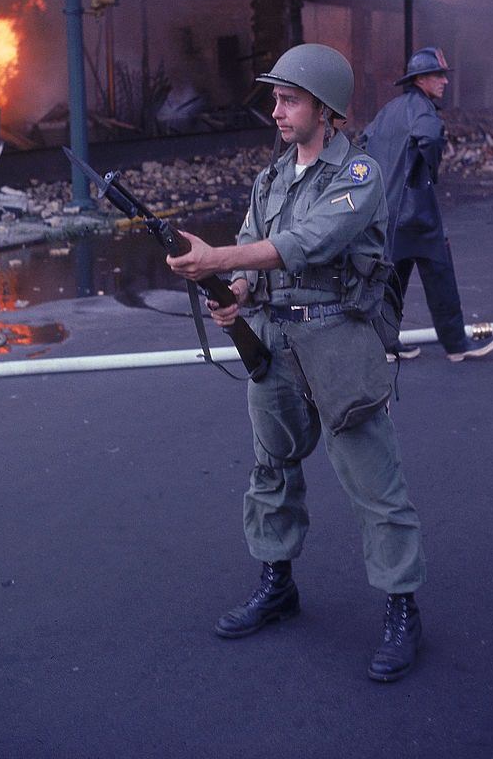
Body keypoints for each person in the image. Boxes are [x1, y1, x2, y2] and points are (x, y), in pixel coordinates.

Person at [167, 43, 425, 683]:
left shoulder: (358, 175)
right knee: (272, 470)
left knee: (375, 484)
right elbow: (259, 251)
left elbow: (307, 243)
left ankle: (401, 609)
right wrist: (236, 296)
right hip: (275, 345)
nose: (276, 111)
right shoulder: (271, 177)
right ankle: (276, 583)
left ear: (326, 109)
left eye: (289, 99)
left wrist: (221, 261)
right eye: (276, 99)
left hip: (340, 345)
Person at [361, 46, 493, 363]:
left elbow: (364, 144)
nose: (444, 82)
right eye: (439, 75)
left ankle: (385, 345)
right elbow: (431, 138)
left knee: (392, 280)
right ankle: (457, 346)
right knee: (440, 276)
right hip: (417, 212)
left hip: (387, 213)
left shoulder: (390, 109)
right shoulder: (423, 111)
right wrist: (431, 169)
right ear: (421, 79)